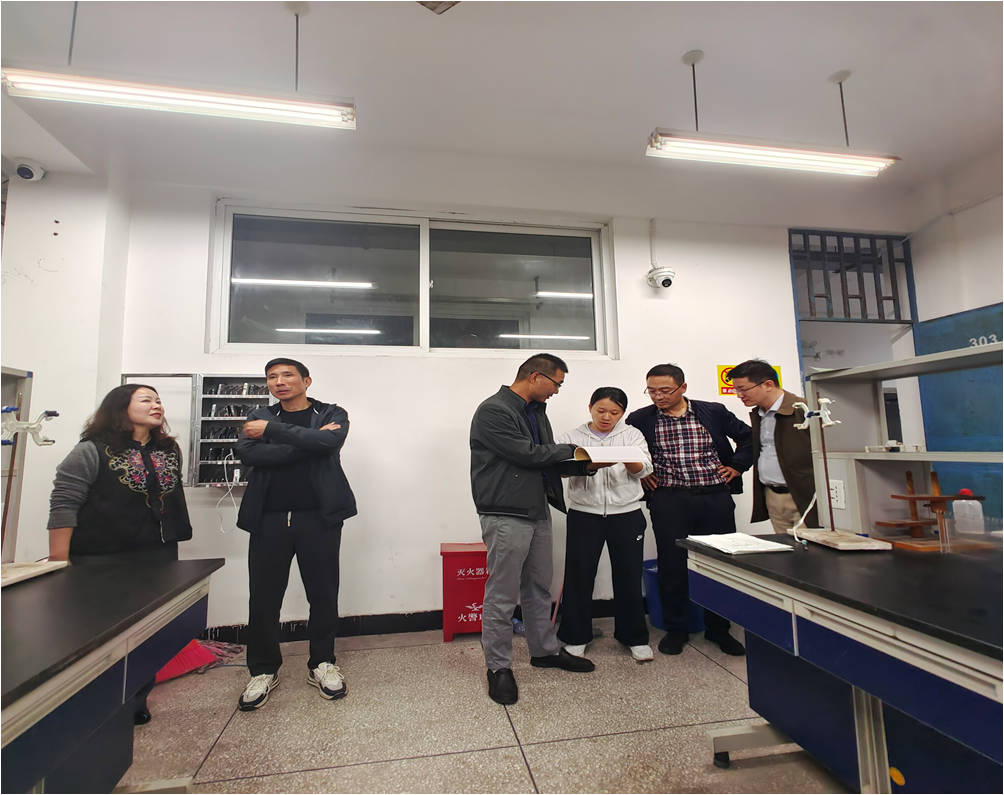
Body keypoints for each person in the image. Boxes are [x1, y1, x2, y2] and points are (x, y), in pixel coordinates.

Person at [47, 384, 193, 725]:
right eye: (146, 400)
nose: (156, 405)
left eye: (158, 400)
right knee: (100, 634)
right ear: (120, 407)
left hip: (157, 553)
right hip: (102, 556)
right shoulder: (91, 450)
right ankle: (98, 705)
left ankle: (138, 698)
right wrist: (58, 559)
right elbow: (64, 502)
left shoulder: (169, 449)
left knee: (149, 629)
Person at [470, 353, 598, 705]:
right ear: (536, 376)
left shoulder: (537, 411)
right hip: (505, 512)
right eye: (556, 383)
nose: (556, 391)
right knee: (502, 594)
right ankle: (498, 667)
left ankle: (544, 650)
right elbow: (526, 454)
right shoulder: (494, 410)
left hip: (536, 508)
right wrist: (573, 449)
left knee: (539, 586)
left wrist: (582, 467)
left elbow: (542, 462)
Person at [234, 358, 356, 711]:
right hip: (268, 519)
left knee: (323, 593)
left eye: (287, 375)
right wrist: (310, 444)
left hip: (319, 518)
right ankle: (263, 669)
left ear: (306, 381)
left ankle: (322, 662)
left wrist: (272, 433)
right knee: (263, 597)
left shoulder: (331, 412)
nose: (279, 381)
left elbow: (330, 443)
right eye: (272, 377)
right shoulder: (258, 414)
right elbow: (248, 453)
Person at [626, 364, 753, 657]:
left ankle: (719, 629)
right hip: (669, 500)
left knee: (719, 563)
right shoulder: (641, 419)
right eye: (652, 391)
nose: (658, 397)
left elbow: (748, 436)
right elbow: (627, 448)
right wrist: (641, 472)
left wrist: (737, 466)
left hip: (714, 498)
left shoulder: (713, 412)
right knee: (672, 565)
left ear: (682, 387)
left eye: (665, 390)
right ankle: (677, 629)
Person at [556, 387, 654, 663]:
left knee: (628, 575)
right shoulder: (572, 437)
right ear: (590, 407)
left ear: (622, 413)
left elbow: (645, 470)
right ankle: (576, 636)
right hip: (584, 513)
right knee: (579, 575)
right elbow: (558, 469)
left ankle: (634, 637)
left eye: (614, 412)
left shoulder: (632, 435)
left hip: (627, 513)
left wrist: (627, 457)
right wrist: (587, 464)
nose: (607, 417)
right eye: (601, 411)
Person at [727, 359, 818, 533]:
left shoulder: (804, 410)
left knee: (811, 546)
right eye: (736, 390)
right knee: (784, 547)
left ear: (768, 384)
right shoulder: (759, 414)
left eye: (743, 389)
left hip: (804, 496)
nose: (739, 395)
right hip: (773, 495)